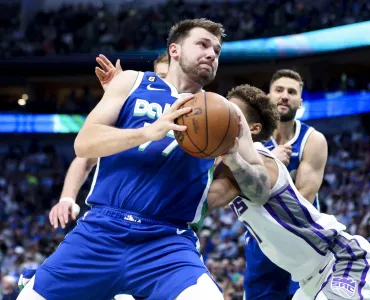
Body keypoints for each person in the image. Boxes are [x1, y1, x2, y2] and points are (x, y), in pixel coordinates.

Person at [18, 19, 268, 300]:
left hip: (167, 241)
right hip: (101, 230)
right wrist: (147, 132)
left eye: (217, 50)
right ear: (174, 50)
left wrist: (235, 159)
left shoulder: (228, 116)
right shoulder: (131, 82)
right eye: (203, 44)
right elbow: (83, 143)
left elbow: (260, 190)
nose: (212, 54)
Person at [207, 84, 370, 300]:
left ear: (252, 128)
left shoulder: (259, 160)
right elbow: (204, 202)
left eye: (232, 113)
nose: (221, 116)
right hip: (308, 282)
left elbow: (254, 191)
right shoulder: (228, 168)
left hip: (343, 261)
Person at [49, 52, 169, 230]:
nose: (165, 85)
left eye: (168, 79)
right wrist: (67, 198)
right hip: (109, 220)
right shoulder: (129, 119)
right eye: (160, 78)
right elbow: (85, 156)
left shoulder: (194, 120)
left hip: (163, 224)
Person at [244, 69, 328, 299]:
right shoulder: (250, 139)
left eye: (292, 92)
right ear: (268, 96)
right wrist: (268, 164)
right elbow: (240, 190)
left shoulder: (313, 140)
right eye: (279, 90)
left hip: (302, 240)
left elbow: (304, 199)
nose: (284, 96)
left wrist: (271, 168)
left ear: (300, 102)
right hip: (261, 243)